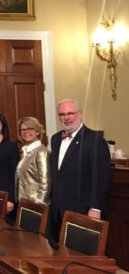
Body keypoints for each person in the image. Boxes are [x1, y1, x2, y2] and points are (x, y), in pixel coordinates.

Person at [49, 99, 111, 240]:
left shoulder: (95, 140)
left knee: (81, 253)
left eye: (70, 113)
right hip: (58, 209)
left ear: (80, 114)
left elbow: (101, 177)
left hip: (82, 209)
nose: (66, 118)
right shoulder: (56, 139)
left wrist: (95, 208)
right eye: (62, 114)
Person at [15, 117, 50, 205]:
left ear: (38, 131)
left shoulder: (41, 152)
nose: (25, 132)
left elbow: (45, 183)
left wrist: (39, 205)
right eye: (23, 130)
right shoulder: (25, 152)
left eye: (30, 128)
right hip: (24, 202)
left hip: (35, 205)